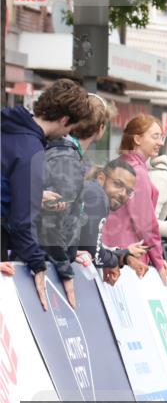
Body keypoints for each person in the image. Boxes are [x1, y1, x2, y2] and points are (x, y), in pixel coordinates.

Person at [1, 78, 91, 310]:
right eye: (70, 128)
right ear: (64, 119)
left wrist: (29, 194)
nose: (68, 134)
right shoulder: (31, 150)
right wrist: (38, 264)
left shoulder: (9, 127)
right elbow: (22, 223)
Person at [36, 93, 113, 291]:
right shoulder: (66, 159)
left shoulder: (62, 152)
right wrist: (65, 267)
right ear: (100, 129)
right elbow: (51, 225)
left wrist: (71, 252)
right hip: (46, 270)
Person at [104, 114, 167, 285]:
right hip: (130, 259)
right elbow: (146, 223)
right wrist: (159, 260)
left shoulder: (118, 165)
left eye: (162, 137)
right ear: (137, 139)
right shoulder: (136, 172)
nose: (160, 143)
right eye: (155, 136)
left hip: (112, 255)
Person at [79, 158, 148, 285]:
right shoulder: (98, 196)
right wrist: (116, 260)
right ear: (101, 178)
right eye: (118, 184)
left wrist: (124, 256)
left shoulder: (93, 192)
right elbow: (95, 254)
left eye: (128, 191)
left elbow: (91, 246)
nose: (123, 194)